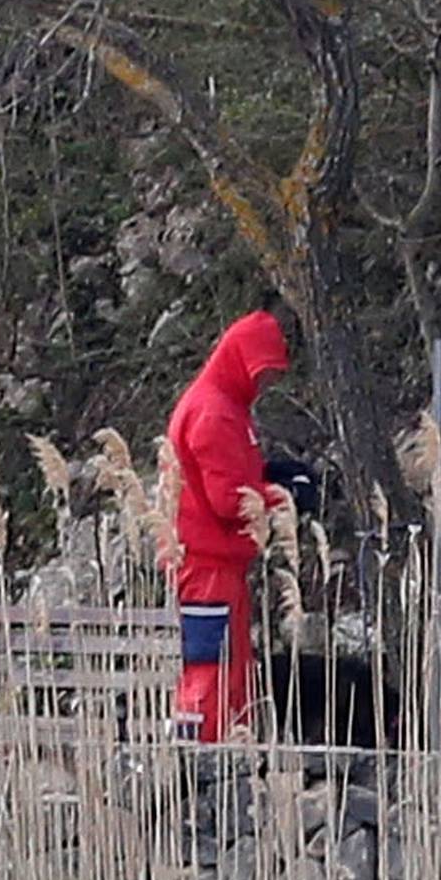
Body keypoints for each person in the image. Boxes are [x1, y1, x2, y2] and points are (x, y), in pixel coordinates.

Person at [166, 312, 292, 742]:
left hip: (215, 568)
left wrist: (270, 476)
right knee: (212, 672)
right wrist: (280, 495)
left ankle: (218, 759)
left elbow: (229, 478)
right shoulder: (214, 412)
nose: (263, 386)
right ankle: (203, 763)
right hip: (208, 570)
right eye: (262, 374)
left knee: (227, 670)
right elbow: (227, 499)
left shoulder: (221, 405)